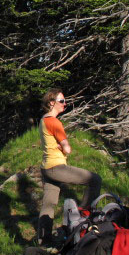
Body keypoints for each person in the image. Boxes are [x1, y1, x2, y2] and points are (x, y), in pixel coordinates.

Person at [37, 88, 101, 245]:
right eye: (61, 101)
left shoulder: (43, 120)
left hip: (46, 167)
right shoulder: (54, 122)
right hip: (56, 167)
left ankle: (44, 241)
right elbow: (67, 149)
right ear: (51, 103)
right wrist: (63, 147)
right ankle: (84, 218)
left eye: (64, 101)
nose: (64, 104)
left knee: (49, 204)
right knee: (95, 180)